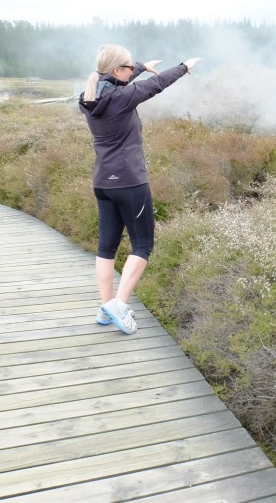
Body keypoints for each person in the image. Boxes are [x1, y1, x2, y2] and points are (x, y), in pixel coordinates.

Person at [79, 44, 202, 334]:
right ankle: (119, 306)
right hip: (130, 182)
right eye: (128, 68)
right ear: (116, 71)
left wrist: (140, 66)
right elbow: (156, 86)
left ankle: (105, 307)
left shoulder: (89, 95)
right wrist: (184, 67)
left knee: (106, 247)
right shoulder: (122, 97)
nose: (130, 72)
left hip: (102, 183)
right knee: (143, 245)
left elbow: (119, 85)